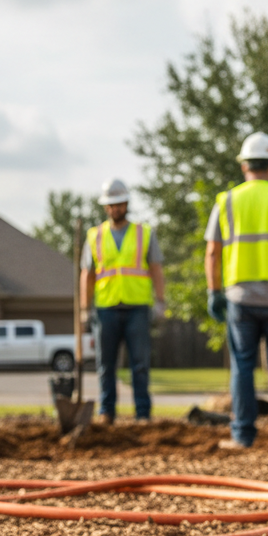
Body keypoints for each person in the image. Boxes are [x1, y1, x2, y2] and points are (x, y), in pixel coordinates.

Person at [204, 132, 268, 449]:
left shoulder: (227, 201)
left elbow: (212, 252)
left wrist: (213, 291)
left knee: (242, 366)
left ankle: (243, 435)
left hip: (241, 298)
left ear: (244, 166)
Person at [81, 179, 166, 423]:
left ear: (126, 204)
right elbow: (87, 275)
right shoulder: (95, 236)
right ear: (105, 207)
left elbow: (156, 269)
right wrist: (85, 309)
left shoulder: (144, 233)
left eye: (119, 204)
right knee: (105, 364)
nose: (115, 208)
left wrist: (160, 301)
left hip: (137, 307)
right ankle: (106, 412)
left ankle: (143, 414)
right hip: (105, 309)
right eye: (111, 205)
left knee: (140, 364)